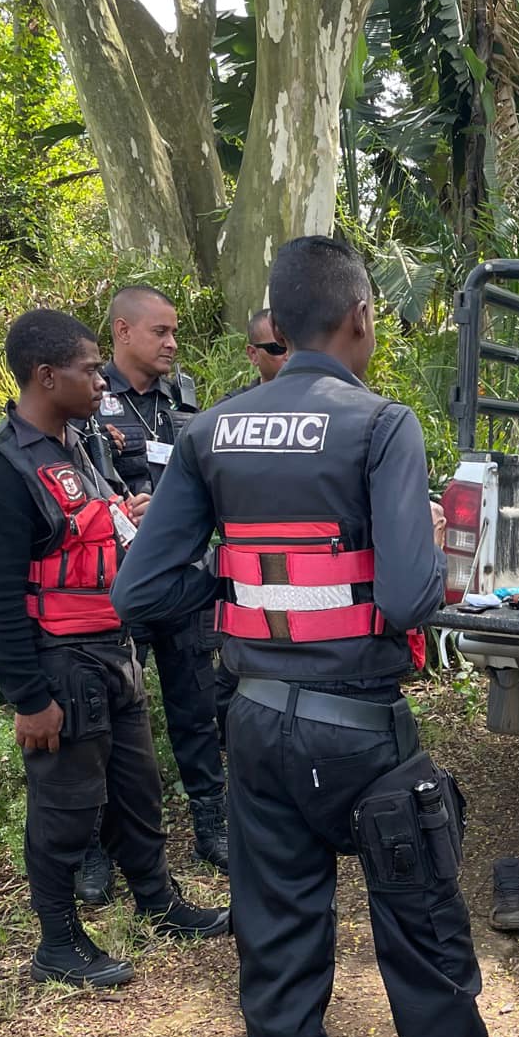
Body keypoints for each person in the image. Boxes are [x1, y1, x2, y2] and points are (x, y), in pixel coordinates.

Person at [111, 236, 519, 1037]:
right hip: (361, 739)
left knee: (279, 960)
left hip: (257, 734)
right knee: (426, 954)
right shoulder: (379, 424)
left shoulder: (211, 431)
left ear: (276, 320)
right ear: (360, 317)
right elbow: (411, 596)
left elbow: (140, 593)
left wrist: (246, 599)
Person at [0, 310, 230, 987]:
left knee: (136, 791)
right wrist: (30, 698)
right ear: (46, 377)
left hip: (113, 652)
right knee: (66, 805)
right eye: (87, 367)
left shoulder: (80, 445)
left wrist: (121, 515)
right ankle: (57, 941)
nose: (101, 377)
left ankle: (159, 902)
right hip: (58, 665)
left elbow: (85, 529)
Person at [83, 285, 229, 888]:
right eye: (159, 332)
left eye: (174, 332)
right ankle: (94, 841)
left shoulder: (184, 396)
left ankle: (212, 822)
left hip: (185, 577)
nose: (172, 342)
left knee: (195, 704)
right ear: (122, 331)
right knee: (111, 715)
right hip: (122, 582)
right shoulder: (88, 397)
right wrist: (118, 507)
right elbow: (69, 481)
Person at [213, 309, 293, 740]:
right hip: (245, 579)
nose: (288, 358)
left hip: (313, 578)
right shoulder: (226, 419)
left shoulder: (339, 413)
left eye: (293, 347)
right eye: (277, 350)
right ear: (252, 354)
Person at [244, 307, 288, 386]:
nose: (289, 355)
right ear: (253, 354)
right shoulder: (240, 398)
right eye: (278, 348)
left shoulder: (315, 395)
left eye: (295, 347)